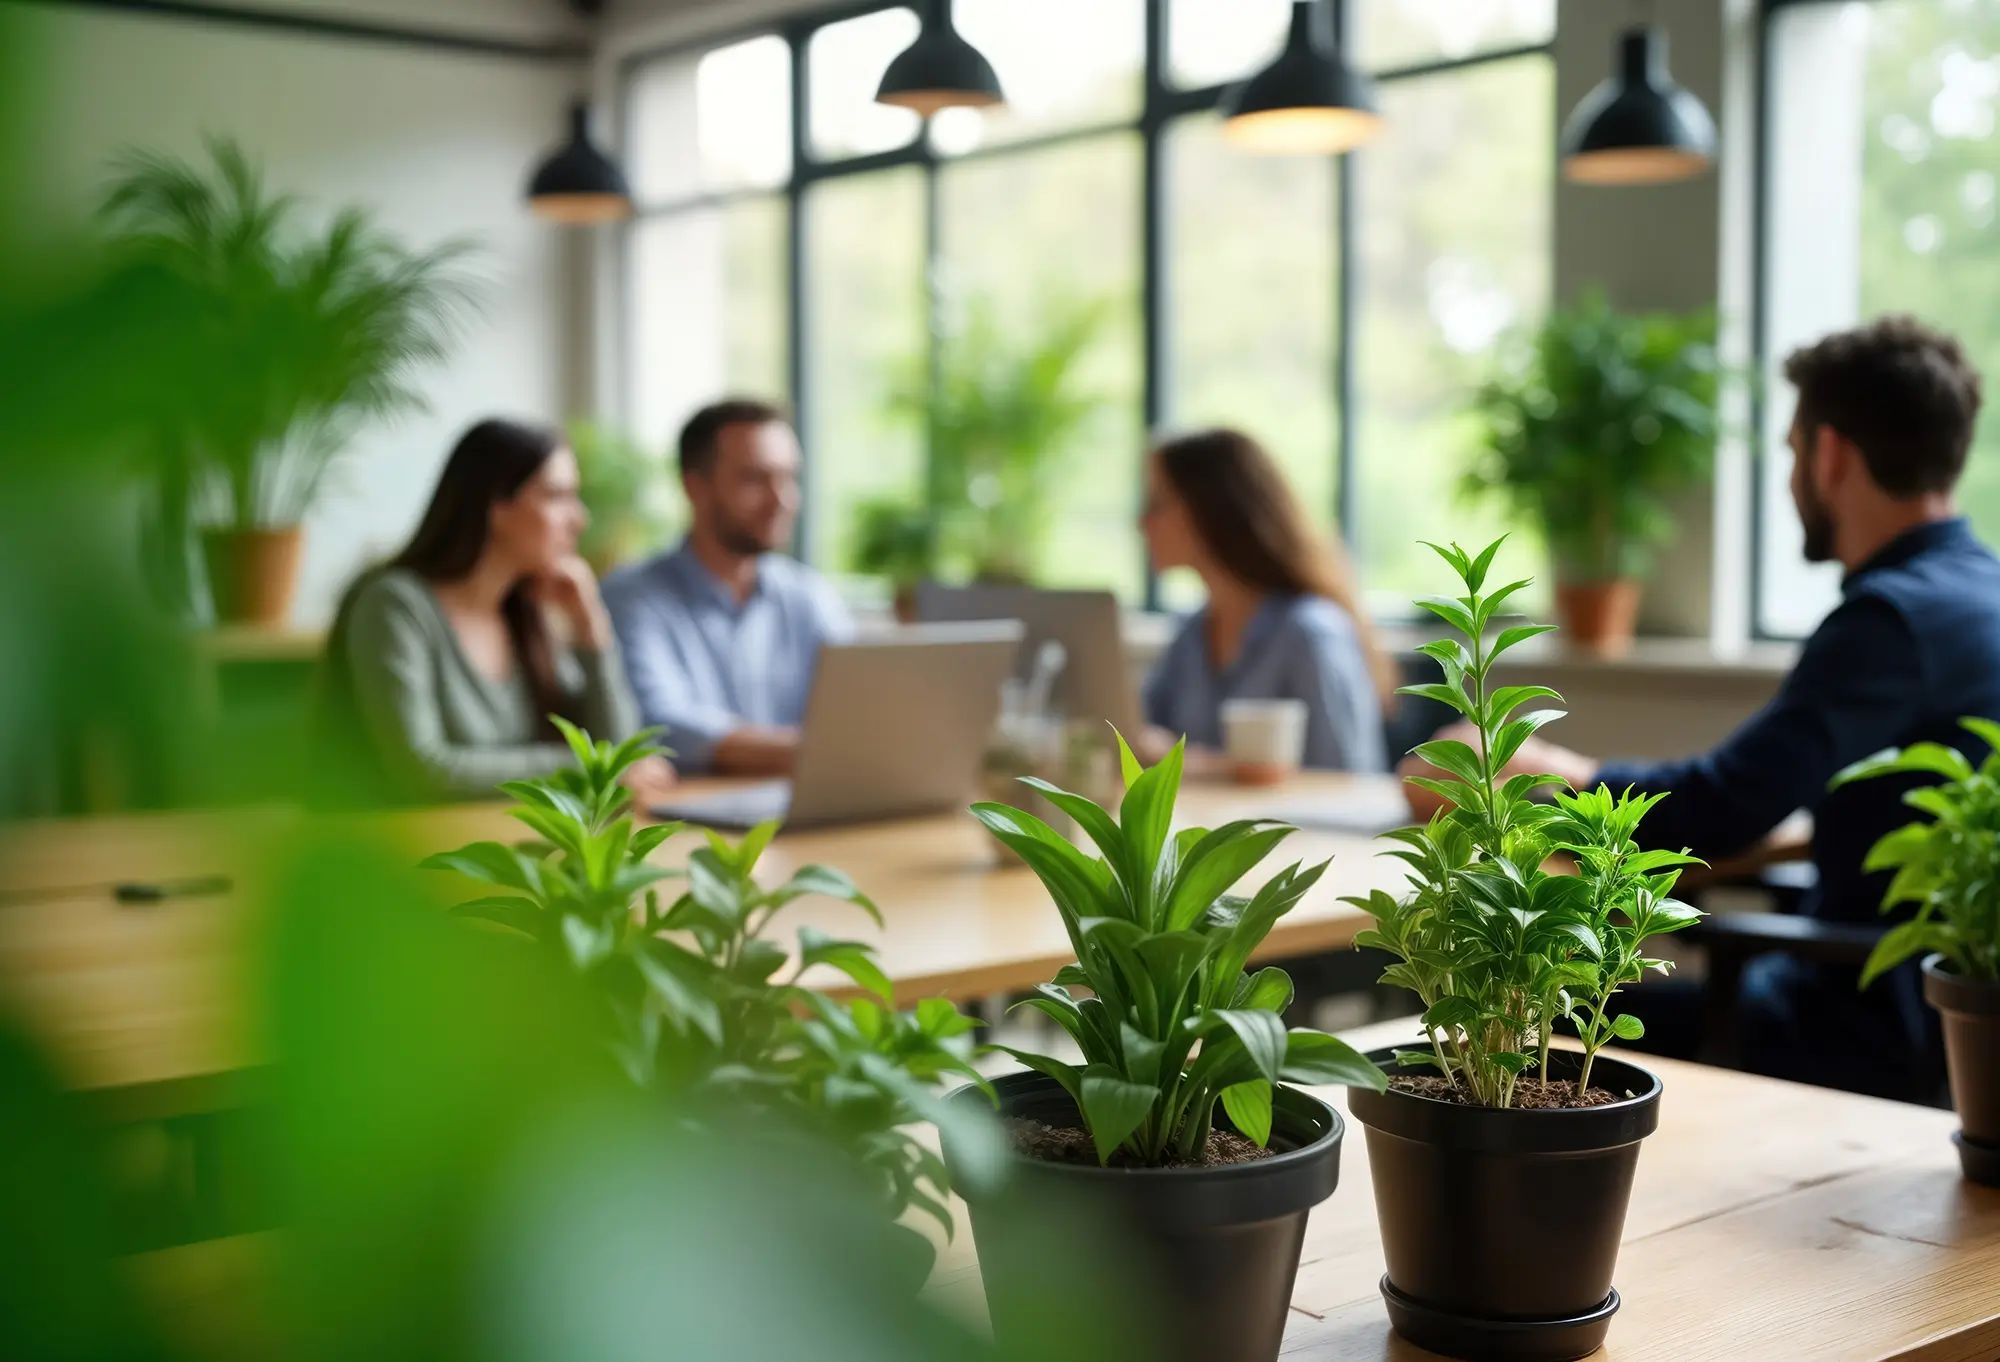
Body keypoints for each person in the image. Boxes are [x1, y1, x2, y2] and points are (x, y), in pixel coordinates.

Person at [1408, 315, 1994, 1098]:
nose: (1792, 479)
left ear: (1830, 456)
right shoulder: (1978, 595)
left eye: (1792, 451)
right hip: (1940, 1015)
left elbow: (1725, 803)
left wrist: (1536, 778)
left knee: (1482, 1038)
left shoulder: (1890, 620)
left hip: (1861, 1025)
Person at [322, 418, 674, 804]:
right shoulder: (394, 604)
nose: (579, 519)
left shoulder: (527, 611)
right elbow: (424, 770)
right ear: (496, 505)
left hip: (506, 844)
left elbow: (617, 752)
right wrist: (588, 768)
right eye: (557, 496)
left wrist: (591, 629)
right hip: (396, 850)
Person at [604, 399, 852, 776]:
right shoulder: (632, 598)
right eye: (755, 479)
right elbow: (662, 725)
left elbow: (860, 707)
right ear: (695, 488)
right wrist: (818, 751)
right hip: (686, 823)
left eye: (789, 478)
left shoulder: (810, 596)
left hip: (808, 808)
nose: (782, 500)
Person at [1138, 428, 1394, 773]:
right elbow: (1141, 739)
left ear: (1208, 508)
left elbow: (1348, 780)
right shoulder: (1190, 634)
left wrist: (1200, 765)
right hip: (1200, 825)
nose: (1142, 523)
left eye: (1157, 503)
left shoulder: (1310, 634)